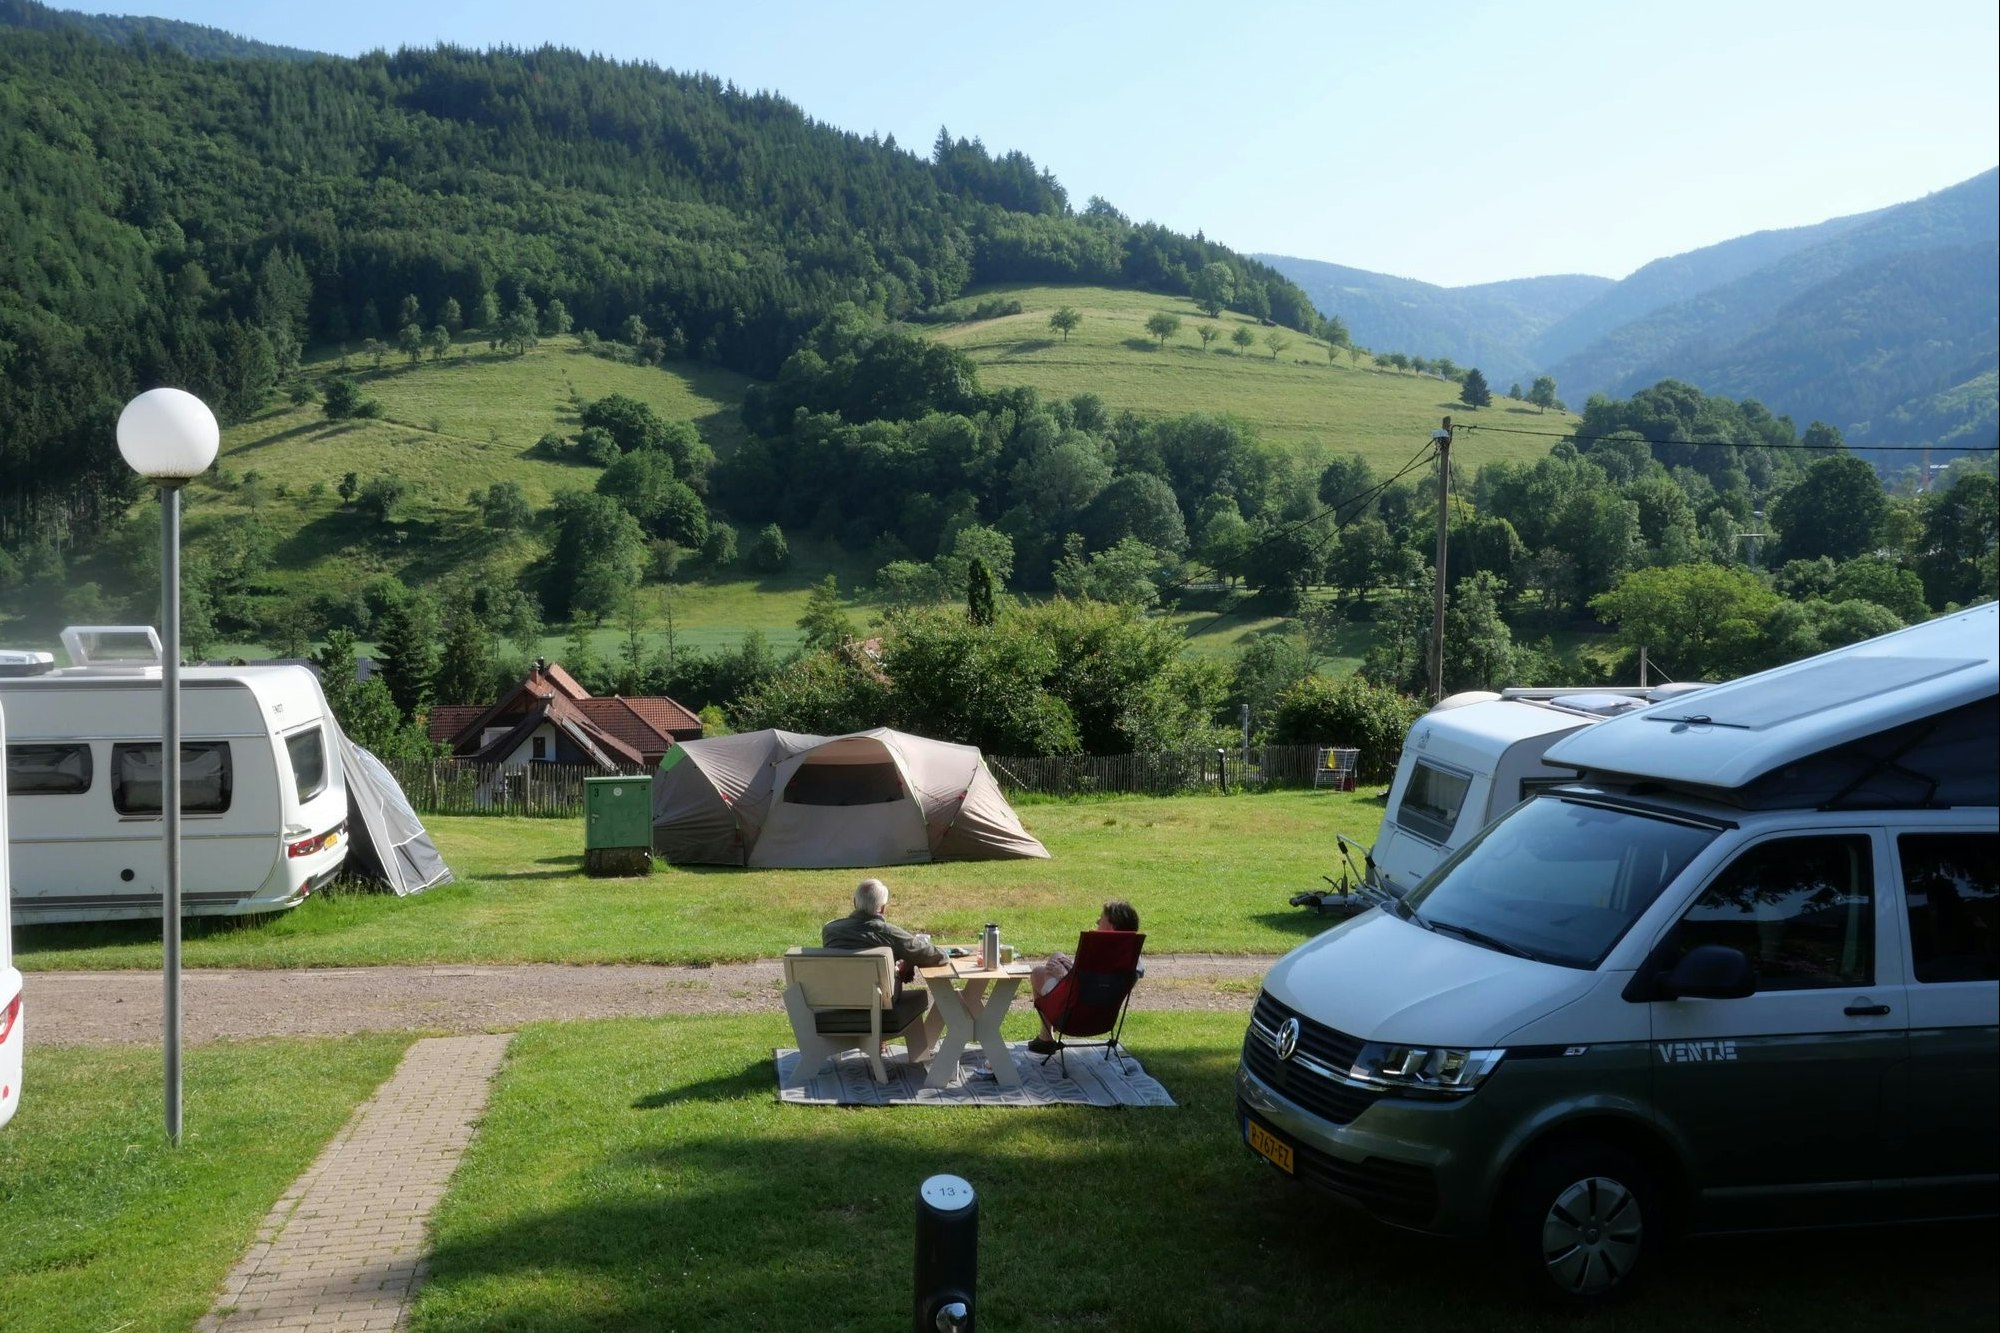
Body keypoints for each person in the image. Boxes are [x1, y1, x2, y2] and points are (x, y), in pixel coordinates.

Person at [1028, 899, 1140, 1055]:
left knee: (1037, 973)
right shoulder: (1131, 962)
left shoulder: (1093, 953)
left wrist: (1065, 976)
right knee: (1057, 957)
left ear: (1111, 927)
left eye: (1101, 918)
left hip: (1071, 1018)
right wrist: (1072, 970)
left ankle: (1046, 1039)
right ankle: (1045, 1038)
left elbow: (1087, 990)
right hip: (1103, 1019)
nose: (1097, 921)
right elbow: (1102, 987)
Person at [822, 878, 945, 982]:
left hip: (836, 1001)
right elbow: (937, 955)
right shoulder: (888, 932)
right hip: (878, 1003)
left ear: (855, 902)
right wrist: (909, 960)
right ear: (882, 908)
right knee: (920, 997)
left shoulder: (830, 930)